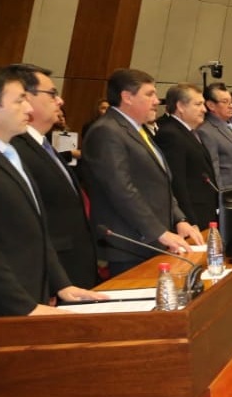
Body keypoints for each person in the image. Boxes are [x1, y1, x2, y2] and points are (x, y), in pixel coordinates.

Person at [0, 66, 105, 315]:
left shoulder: (9, 152)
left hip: (32, 294)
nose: (29, 109)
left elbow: (37, 228)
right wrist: (24, 307)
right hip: (5, 308)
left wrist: (61, 284)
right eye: (19, 101)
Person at [81, 68, 205, 275]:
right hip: (130, 244)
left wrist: (179, 219)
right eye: (149, 94)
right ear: (127, 97)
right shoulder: (107, 131)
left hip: (152, 239)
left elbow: (160, 183)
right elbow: (121, 190)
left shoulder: (138, 130)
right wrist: (159, 232)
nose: (157, 101)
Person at [9, 63, 98, 288]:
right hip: (52, 271)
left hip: (73, 263)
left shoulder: (43, 144)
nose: (60, 101)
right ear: (25, 98)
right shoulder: (15, 149)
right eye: (52, 94)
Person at [154, 83, 219, 230]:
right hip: (191, 218)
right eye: (198, 104)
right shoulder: (171, 134)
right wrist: (188, 220)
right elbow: (177, 183)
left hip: (204, 212)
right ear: (181, 107)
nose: (204, 109)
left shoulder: (188, 132)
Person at [199, 83, 232, 189]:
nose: (231, 106)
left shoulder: (229, 126)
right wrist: (222, 198)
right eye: (225, 102)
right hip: (228, 197)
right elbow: (214, 172)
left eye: (230, 102)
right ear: (211, 105)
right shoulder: (206, 131)